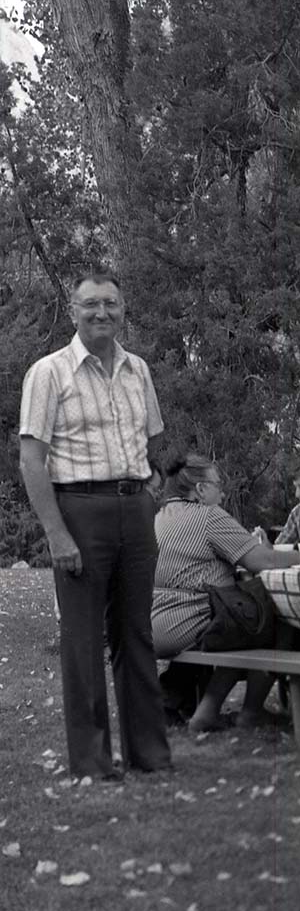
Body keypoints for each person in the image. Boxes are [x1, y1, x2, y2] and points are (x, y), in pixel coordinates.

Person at [18, 268, 171, 781]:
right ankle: (92, 762)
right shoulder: (49, 373)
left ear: (123, 309)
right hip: (79, 510)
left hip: (135, 508)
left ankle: (150, 755)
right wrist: (57, 533)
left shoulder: (139, 370)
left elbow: (151, 439)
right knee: (83, 642)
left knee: (137, 634)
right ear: (73, 311)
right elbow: (31, 460)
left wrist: (149, 487)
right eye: (91, 305)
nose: (102, 312)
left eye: (111, 304)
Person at [151, 453, 300, 731]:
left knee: (243, 619)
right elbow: (260, 561)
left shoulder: (161, 516)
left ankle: (198, 707)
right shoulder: (208, 516)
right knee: (272, 614)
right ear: (200, 489)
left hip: (155, 622)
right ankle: (250, 712)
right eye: (218, 484)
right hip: (190, 621)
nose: (222, 491)